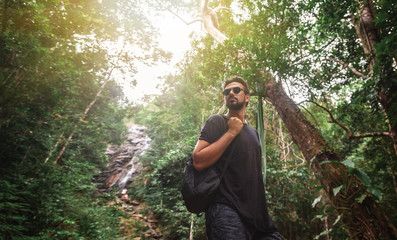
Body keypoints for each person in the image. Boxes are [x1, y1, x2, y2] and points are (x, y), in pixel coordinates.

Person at [193, 76, 281, 240]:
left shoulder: (254, 134)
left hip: (257, 217)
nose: (231, 93)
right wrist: (231, 132)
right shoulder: (217, 122)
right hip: (226, 210)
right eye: (227, 92)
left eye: (236, 90)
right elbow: (198, 161)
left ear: (247, 97)